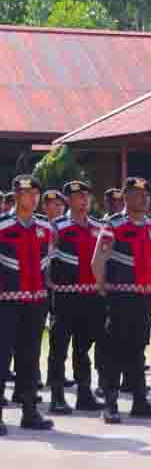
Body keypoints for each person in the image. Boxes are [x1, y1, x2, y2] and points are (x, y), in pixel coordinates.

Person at [92, 176, 151, 423]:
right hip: (120, 295)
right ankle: (111, 403)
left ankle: (140, 400)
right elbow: (98, 261)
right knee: (115, 349)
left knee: (138, 348)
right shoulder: (114, 225)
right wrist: (103, 288)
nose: (143, 199)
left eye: (146, 195)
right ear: (125, 197)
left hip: (143, 297)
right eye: (137, 194)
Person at [0, 175, 55, 434]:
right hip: (6, 302)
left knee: (30, 357)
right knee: (1, 357)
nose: (32, 198)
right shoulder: (2, 226)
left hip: (35, 302)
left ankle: (30, 411)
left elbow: (47, 263)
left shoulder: (44, 228)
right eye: (26, 193)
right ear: (15, 196)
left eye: (35, 193)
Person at [45, 180, 106, 415]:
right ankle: (58, 397)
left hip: (89, 297)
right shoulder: (57, 227)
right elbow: (47, 258)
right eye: (79, 196)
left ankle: (84, 394)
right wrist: (50, 284)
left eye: (86, 196)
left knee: (83, 348)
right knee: (59, 347)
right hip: (64, 296)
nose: (84, 200)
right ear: (69, 200)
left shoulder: (97, 226)